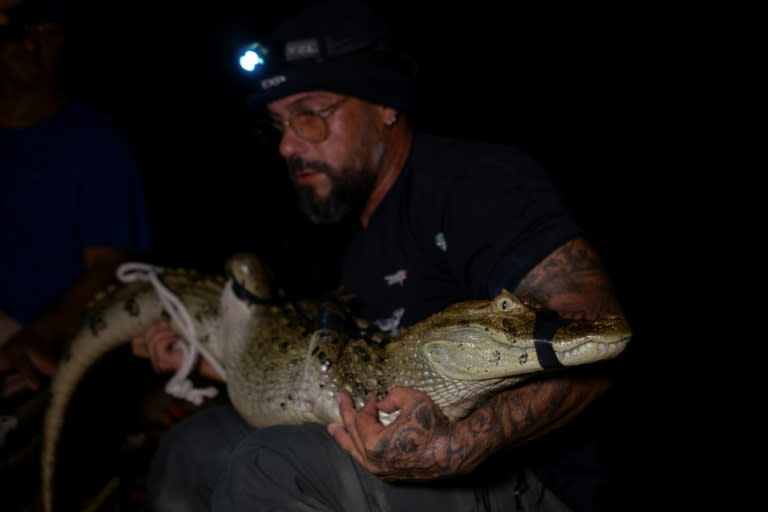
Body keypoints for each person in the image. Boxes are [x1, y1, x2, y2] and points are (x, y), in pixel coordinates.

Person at [130, 1, 628, 510]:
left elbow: (593, 324)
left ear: (385, 106)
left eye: (311, 115)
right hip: (396, 448)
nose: (287, 146)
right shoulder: (355, 237)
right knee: (192, 447)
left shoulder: (474, 182)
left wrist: (464, 444)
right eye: (278, 125)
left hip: (523, 478)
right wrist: (215, 363)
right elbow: (352, 383)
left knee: (270, 464)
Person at [0, 0, 152, 397]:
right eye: (18, 28)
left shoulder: (97, 141)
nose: (32, 42)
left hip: (44, 336)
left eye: (48, 30)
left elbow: (109, 266)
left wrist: (40, 333)